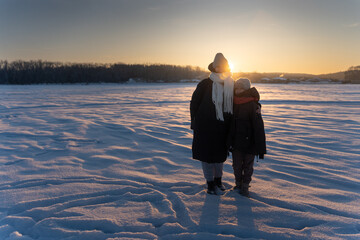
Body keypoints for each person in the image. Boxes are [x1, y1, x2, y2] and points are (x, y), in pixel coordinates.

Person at [190, 53, 234, 195]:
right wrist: (194, 122)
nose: (220, 68)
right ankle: (209, 183)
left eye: (223, 65)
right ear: (214, 66)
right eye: (218, 65)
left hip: (223, 126)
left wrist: (256, 105)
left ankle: (218, 180)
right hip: (205, 126)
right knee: (207, 156)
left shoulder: (231, 84)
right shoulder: (205, 84)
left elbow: (240, 100)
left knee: (219, 156)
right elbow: (194, 103)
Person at [227, 78, 266, 197]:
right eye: (237, 88)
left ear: (246, 89)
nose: (238, 90)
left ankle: (245, 186)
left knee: (248, 166)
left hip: (250, 143)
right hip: (236, 142)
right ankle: (238, 184)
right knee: (237, 165)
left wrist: (260, 148)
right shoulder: (232, 103)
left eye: (241, 88)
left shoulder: (253, 106)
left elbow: (259, 128)